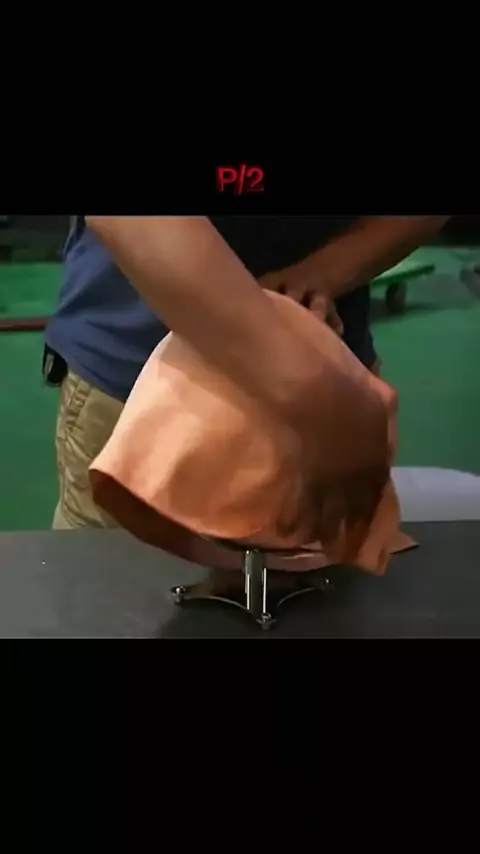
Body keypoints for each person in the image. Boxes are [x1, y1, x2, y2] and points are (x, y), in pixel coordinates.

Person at [44, 215, 448, 531]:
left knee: (319, 587)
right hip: (140, 379)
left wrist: (323, 272)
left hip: (333, 370)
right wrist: (312, 391)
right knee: (114, 584)